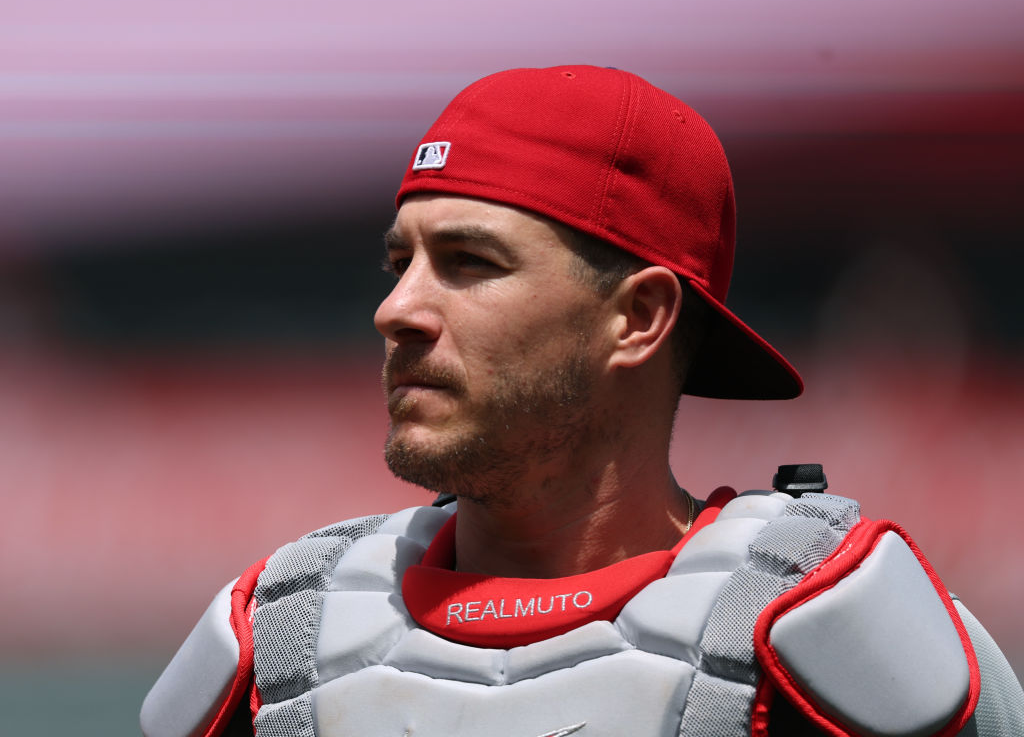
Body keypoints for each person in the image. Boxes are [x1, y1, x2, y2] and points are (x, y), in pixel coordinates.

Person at [141, 65, 1023, 737]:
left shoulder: (829, 639)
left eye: (468, 263)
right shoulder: (273, 645)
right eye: (398, 262)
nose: (396, 309)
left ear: (638, 318)